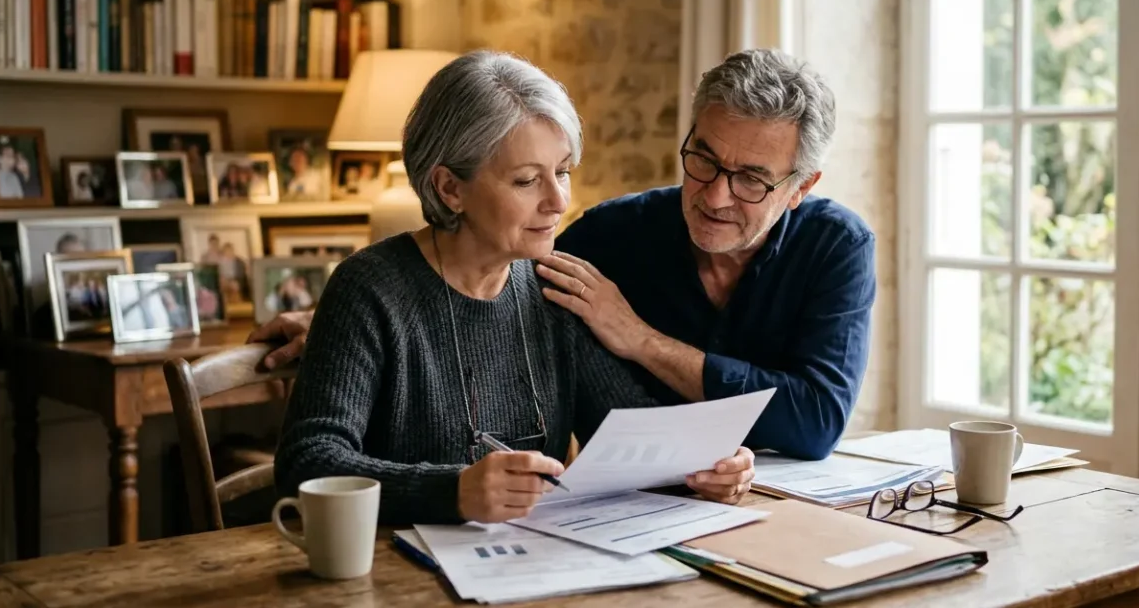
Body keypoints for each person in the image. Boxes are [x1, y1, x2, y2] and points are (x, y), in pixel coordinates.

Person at [251, 49, 875, 462]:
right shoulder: (596, 244)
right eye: (704, 159)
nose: (714, 194)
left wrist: (704, 462)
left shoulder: (836, 247)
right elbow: (465, 278)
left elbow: (642, 430)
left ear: (799, 188)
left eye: (751, 179)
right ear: (449, 187)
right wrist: (341, 325)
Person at [269, 50, 754, 526]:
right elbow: (308, 462)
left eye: (562, 172)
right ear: (449, 189)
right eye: (526, 181)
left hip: (526, 566)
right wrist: (453, 491)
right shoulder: (369, 288)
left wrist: (707, 466)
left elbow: (630, 434)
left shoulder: (556, 286)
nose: (558, 201)